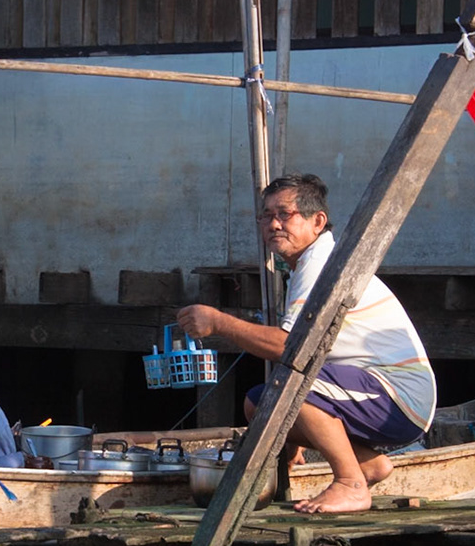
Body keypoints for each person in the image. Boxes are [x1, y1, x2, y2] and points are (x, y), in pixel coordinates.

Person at [175, 173, 435, 514]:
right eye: (266, 216)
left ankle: (351, 484)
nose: (273, 224)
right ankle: (368, 466)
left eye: (284, 214)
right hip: (378, 394)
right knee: (259, 403)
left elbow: (289, 348)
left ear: (317, 221)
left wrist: (218, 322)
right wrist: (296, 429)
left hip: (397, 401)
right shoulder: (307, 265)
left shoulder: (320, 263)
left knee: (290, 389)